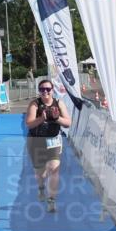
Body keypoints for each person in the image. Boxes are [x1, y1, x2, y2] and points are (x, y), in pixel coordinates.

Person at [24, 79, 72, 213]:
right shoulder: (35, 104)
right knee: (41, 172)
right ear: (39, 91)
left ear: (52, 90)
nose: (45, 92)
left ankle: (51, 200)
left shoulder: (59, 103)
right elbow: (29, 124)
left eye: (48, 89)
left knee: (54, 169)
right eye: (42, 89)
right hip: (36, 141)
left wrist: (57, 118)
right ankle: (41, 188)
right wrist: (42, 119)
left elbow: (68, 123)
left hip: (53, 140)